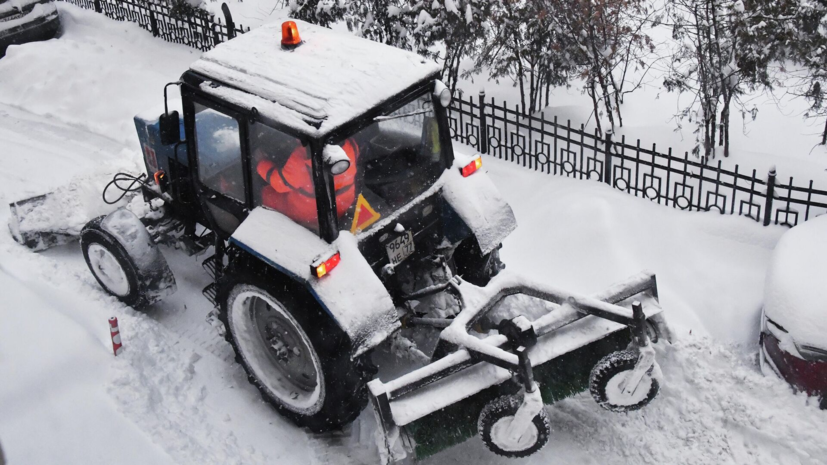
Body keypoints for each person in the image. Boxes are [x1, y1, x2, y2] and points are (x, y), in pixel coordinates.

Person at [253, 138, 360, 228]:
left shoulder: (302, 157)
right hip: (343, 204)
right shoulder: (350, 145)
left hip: (308, 213)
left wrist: (262, 162)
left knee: (265, 194)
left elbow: (279, 183)